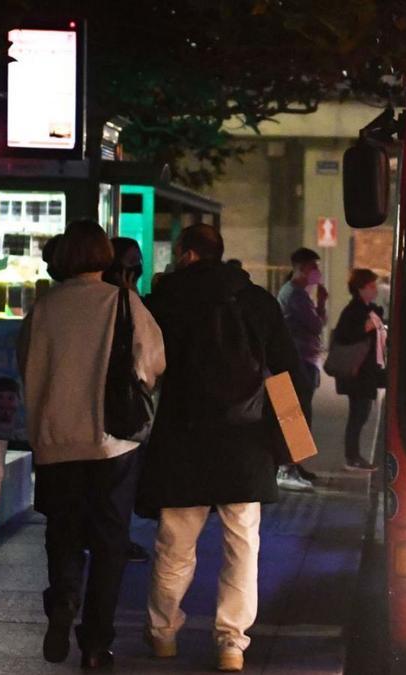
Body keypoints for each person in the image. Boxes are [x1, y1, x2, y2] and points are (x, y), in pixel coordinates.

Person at [137, 224, 307, 673]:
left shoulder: (165, 300)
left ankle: (163, 634)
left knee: (175, 543)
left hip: (183, 436)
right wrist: (292, 437)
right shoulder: (257, 301)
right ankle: (232, 643)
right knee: (242, 545)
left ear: (188, 255)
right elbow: (287, 372)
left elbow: (144, 366)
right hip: (246, 442)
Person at [18, 220, 166, 669]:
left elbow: (26, 361)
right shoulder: (123, 302)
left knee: (62, 531)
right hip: (111, 444)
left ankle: (63, 597)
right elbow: (152, 362)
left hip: (56, 440)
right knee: (109, 542)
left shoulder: (45, 306)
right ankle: (97, 642)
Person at [102, 238, 154, 564]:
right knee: (117, 488)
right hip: (118, 416)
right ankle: (114, 542)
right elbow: (151, 361)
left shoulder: (57, 302)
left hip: (68, 423)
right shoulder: (127, 303)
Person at [275, 247, 325, 491]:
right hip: (296, 360)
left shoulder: (297, 293)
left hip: (301, 359)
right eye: (315, 267)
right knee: (295, 415)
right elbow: (315, 325)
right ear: (304, 268)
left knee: (300, 415)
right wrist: (322, 304)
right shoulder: (294, 294)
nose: (317, 272)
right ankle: (286, 467)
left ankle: (294, 464)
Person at [331, 269, 386, 470]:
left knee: (361, 413)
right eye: (371, 286)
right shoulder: (354, 310)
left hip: (367, 370)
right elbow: (347, 335)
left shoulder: (369, 308)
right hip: (358, 372)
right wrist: (368, 327)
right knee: (358, 414)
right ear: (360, 288)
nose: (375, 289)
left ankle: (354, 455)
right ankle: (352, 456)